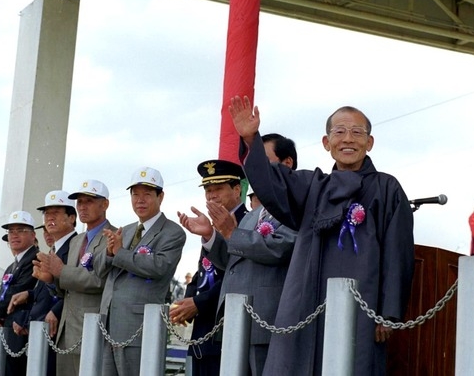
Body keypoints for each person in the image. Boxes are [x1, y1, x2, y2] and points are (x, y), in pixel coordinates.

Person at [228, 96, 415, 375]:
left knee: (354, 364)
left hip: (362, 305)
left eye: (356, 132)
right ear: (327, 143)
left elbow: (397, 253)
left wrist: (387, 314)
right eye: (339, 132)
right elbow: (271, 183)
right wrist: (251, 139)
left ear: (370, 142)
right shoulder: (311, 185)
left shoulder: (387, 188)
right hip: (307, 301)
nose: (348, 139)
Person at [179, 135, 298, 375]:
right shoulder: (257, 213)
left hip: (269, 320)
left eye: (264, 162)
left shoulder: (295, 204)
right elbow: (234, 262)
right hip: (235, 321)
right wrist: (210, 237)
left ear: (286, 164)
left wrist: (231, 232)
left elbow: (280, 248)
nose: (258, 170)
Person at [98, 167, 186, 376]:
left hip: (139, 327)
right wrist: (110, 253)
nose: (140, 200)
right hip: (109, 324)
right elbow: (99, 268)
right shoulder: (125, 230)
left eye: (147, 194)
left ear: (160, 196)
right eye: (135, 194)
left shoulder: (172, 232)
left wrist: (118, 253)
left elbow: (158, 267)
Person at [172, 159, 248, 376]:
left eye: (218, 189)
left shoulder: (250, 222)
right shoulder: (211, 223)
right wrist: (186, 301)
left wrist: (198, 303)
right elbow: (205, 271)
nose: (212, 195)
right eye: (208, 190)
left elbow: (238, 272)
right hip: (204, 327)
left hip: (228, 326)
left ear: (236, 190)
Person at [37, 180, 115, 376]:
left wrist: (61, 272)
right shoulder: (77, 240)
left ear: (104, 204)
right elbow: (66, 290)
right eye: (79, 202)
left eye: (88, 201)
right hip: (66, 329)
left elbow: (100, 280)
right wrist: (50, 280)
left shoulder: (113, 236)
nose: (82, 207)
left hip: (93, 327)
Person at [7, 190, 78, 376]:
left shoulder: (77, 245)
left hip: (58, 328)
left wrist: (57, 310)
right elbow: (47, 288)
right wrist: (30, 295)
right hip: (40, 327)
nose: (50, 218)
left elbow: (76, 286)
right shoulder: (55, 248)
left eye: (56, 213)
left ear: (71, 218)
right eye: (47, 213)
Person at [0, 211, 40, 376]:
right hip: (7, 328)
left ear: (32, 235)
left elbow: (18, 291)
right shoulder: (12, 265)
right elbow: (2, 292)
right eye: (11, 231)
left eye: (21, 230)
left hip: (20, 330)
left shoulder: (34, 258)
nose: (15, 235)